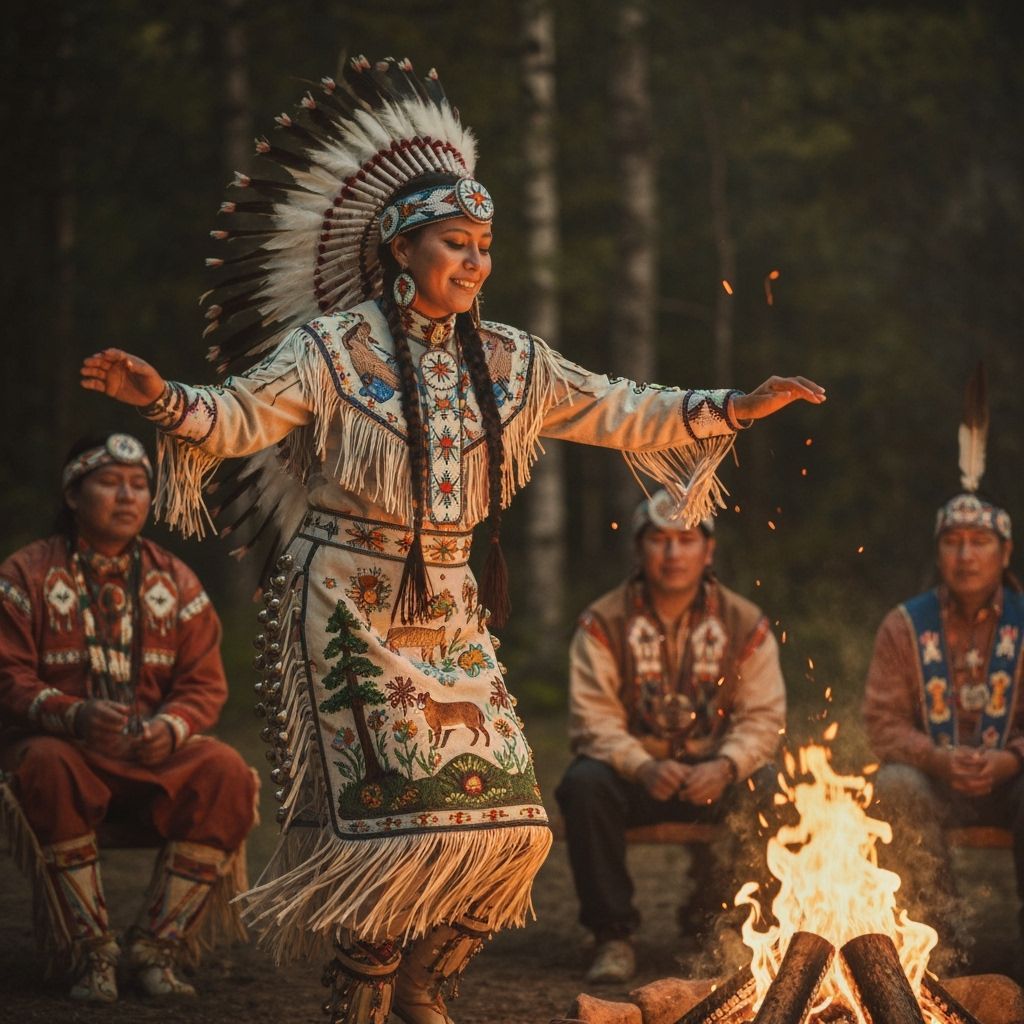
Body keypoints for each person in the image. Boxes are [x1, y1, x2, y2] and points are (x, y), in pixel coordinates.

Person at [78, 57, 824, 1024]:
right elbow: (235, 418)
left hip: (451, 609)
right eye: (455, 244)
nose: (474, 263)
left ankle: (427, 980)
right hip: (345, 604)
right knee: (389, 834)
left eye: (484, 247)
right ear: (402, 249)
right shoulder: (332, 349)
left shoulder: (512, 361)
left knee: (514, 826)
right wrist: (162, 399)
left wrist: (735, 407)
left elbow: (621, 408)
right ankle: (365, 992)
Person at [0, 432, 258, 1003]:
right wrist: (73, 714)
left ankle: (156, 948)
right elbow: (7, 674)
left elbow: (203, 684)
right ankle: (91, 951)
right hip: (65, 749)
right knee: (46, 763)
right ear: (73, 494)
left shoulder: (176, 581)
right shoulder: (26, 574)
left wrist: (170, 727)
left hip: (149, 754)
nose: (127, 496)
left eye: (139, 485)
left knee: (225, 771)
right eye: (110, 483)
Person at [554, 489, 786, 983]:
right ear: (638, 548)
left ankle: (731, 923)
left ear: (709, 550)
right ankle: (612, 936)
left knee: (766, 784)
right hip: (634, 777)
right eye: (659, 539)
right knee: (584, 784)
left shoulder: (744, 622)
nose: (673, 553)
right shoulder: (603, 621)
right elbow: (593, 718)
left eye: (686, 540)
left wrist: (726, 765)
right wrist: (641, 765)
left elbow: (763, 717)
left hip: (714, 775)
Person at [863, 489, 1024, 963]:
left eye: (980, 541)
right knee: (895, 783)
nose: (965, 555)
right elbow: (882, 723)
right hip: (935, 780)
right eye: (953, 542)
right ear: (938, 553)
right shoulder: (905, 625)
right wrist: (935, 758)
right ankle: (936, 940)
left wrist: (1011, 758)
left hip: (1012, 779)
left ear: (1006, 552)